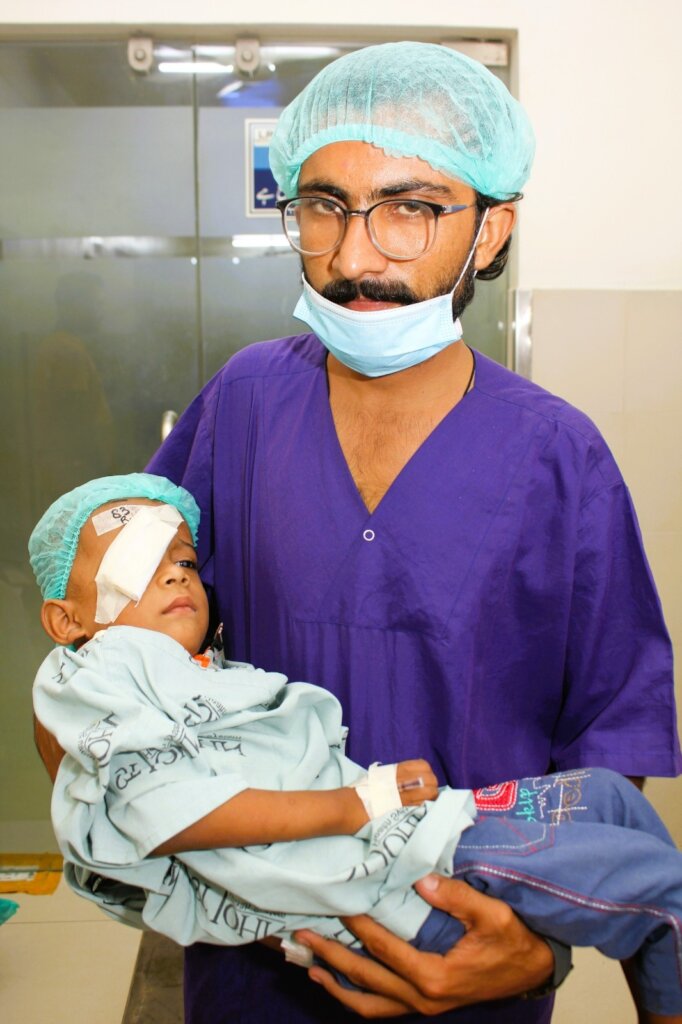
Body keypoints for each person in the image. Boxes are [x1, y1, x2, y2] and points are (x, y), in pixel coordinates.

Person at [34, 41, 681, 1024]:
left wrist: (524, 946)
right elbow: (95, 651)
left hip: (463, 958)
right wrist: (163, 834)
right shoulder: (246, 403)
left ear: (491, 231)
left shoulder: (558, 455)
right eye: (324, 206)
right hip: (259, 961)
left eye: (409, 209)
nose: (353, 257)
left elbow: (609, 738)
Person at [29, 474, 682, 1023]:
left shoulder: (189, 673)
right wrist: (358, 803)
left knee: (608, 798)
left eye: (185, 562)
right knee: (667, 896)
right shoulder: (113, 670)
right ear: (66, 622)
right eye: (142, 567)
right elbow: (164, 811)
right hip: (401, 880)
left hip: (419, 832)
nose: (177, 576)